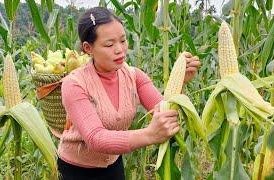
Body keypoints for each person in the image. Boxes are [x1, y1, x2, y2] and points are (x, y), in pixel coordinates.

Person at [57, 6, 201, 180]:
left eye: (123, 40)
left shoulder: (134, 76)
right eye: (109, 44)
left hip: (113, 163)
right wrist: (149, 134)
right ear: (88, 48)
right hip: (77, 169)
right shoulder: (74, 84)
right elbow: (96, 138)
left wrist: (180, 82)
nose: (120, 49)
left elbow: (164, 110)